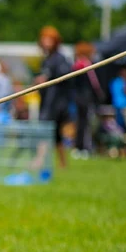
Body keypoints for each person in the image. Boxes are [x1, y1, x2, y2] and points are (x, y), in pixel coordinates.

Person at [35, 26, 72, 168]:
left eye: (49, 39)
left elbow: (65, 76)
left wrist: (47, 78)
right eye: (44, 39)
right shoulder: (46, 60)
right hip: (47, 102)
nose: (46, 42)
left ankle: (39, 161)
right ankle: (63, 164)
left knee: (44, 131)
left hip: (55, 104)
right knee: (56, 136)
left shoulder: (60, 58)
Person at [72, 41, 103, 158]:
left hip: (78, 99)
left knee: (81, 123)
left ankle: (79, 147)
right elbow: (95, 83)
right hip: (87, 99)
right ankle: (85, 147)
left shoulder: (76, 64)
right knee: (86, 124)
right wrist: (99, 96)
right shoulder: (85, 64)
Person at [110, 66, 126, 134]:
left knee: (119, 125)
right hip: (125, 106)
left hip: (116, 105)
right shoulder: (123, 82)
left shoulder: (114, 81)